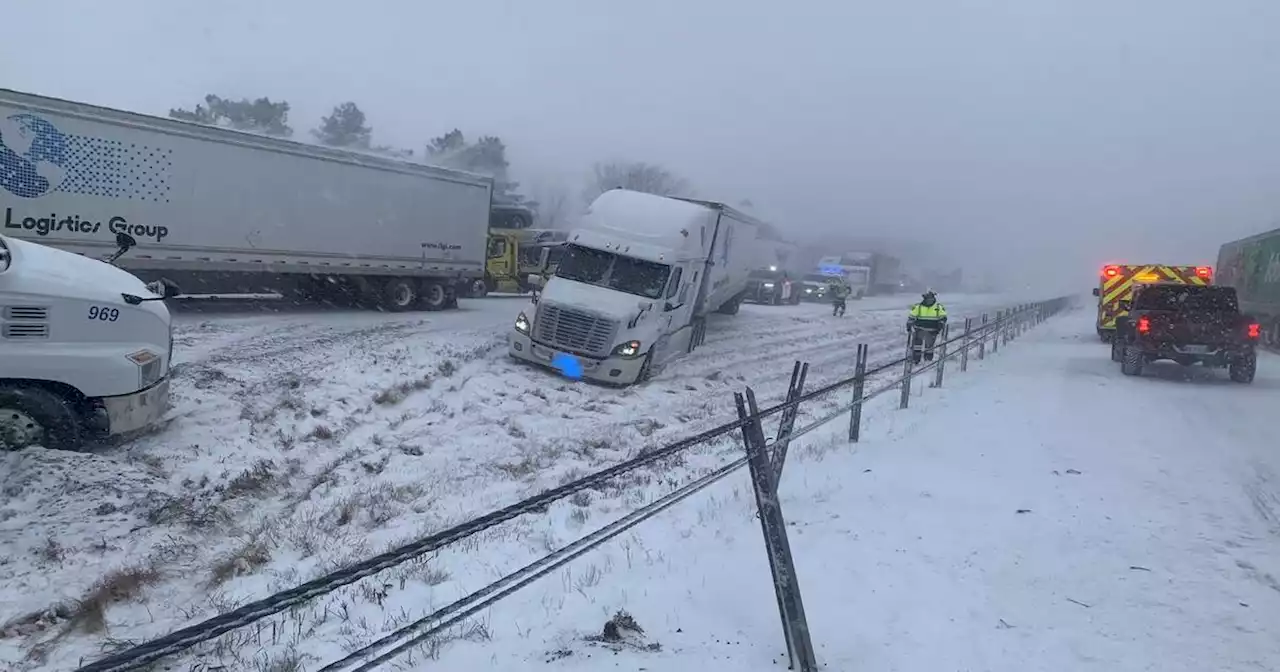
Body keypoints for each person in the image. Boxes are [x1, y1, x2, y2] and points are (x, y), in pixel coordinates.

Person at [907, 290, 948, 363]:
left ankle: (928, 360)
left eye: (930, 298)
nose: (929, 300)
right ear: (924, 299)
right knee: (917, 346)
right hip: (919, 329)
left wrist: (941, 324)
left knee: (929, 347)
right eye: (927, 298)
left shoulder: (938, 307)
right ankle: (916, 360)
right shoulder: (918, 307)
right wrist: (909, 323)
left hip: (932, 330)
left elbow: (943, 317)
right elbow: (912, 316)